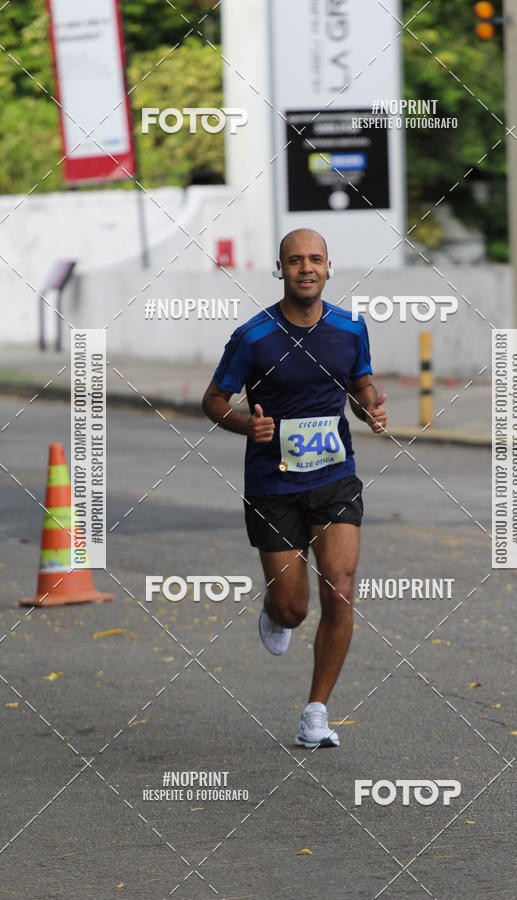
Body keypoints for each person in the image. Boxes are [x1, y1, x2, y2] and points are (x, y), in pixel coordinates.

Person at [202, 228, 387, 748]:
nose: (306, 268)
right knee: (293, 608)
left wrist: (368, 405)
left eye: (316, 259)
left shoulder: (350, 328)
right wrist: (246, 425)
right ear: (280, 270)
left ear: (329, 268)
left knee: (341, 591)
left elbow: (359, 383)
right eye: (295, 260)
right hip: (273, 485)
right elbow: (214, 400)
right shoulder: (253, 336)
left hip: (335, 478)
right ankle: (274, 610)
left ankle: (316, 712)